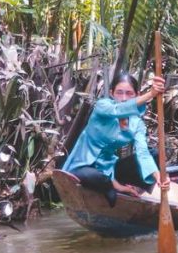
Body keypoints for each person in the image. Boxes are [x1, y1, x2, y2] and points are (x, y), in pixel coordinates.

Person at [63, 72, 170, 206]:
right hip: (82, 166)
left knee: (155, 155)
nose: (124, 98)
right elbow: (119, 109)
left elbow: (143, 153)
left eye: (129, 93)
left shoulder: (136, 123)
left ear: (136, 94)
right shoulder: (103, 106)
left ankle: (133, 190)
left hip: (109, 168)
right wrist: (150, 94)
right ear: (112, 93)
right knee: (95, 177)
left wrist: (158, 176)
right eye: (119, 92)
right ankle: (115, 187)